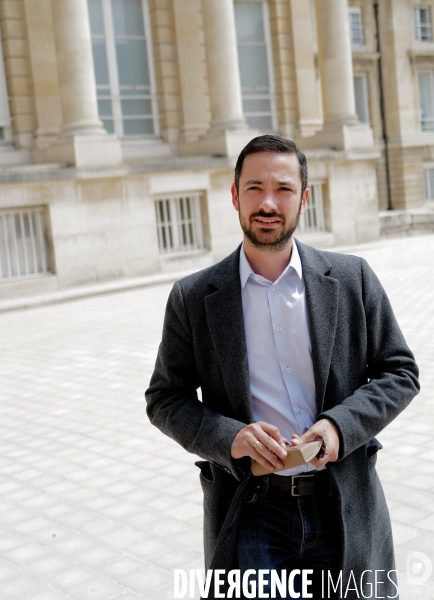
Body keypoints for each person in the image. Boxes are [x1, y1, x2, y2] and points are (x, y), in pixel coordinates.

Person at [146, 135, 419, 600]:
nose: (268, 203)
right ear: (234, 197)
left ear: (304, 199)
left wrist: (338, 427)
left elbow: (400, 372)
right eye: (254, 188)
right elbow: (164, 399)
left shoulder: (352, 279)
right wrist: (228, 436)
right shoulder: (193, 298)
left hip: (344, 503)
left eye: (284, 189)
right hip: (251, 509)